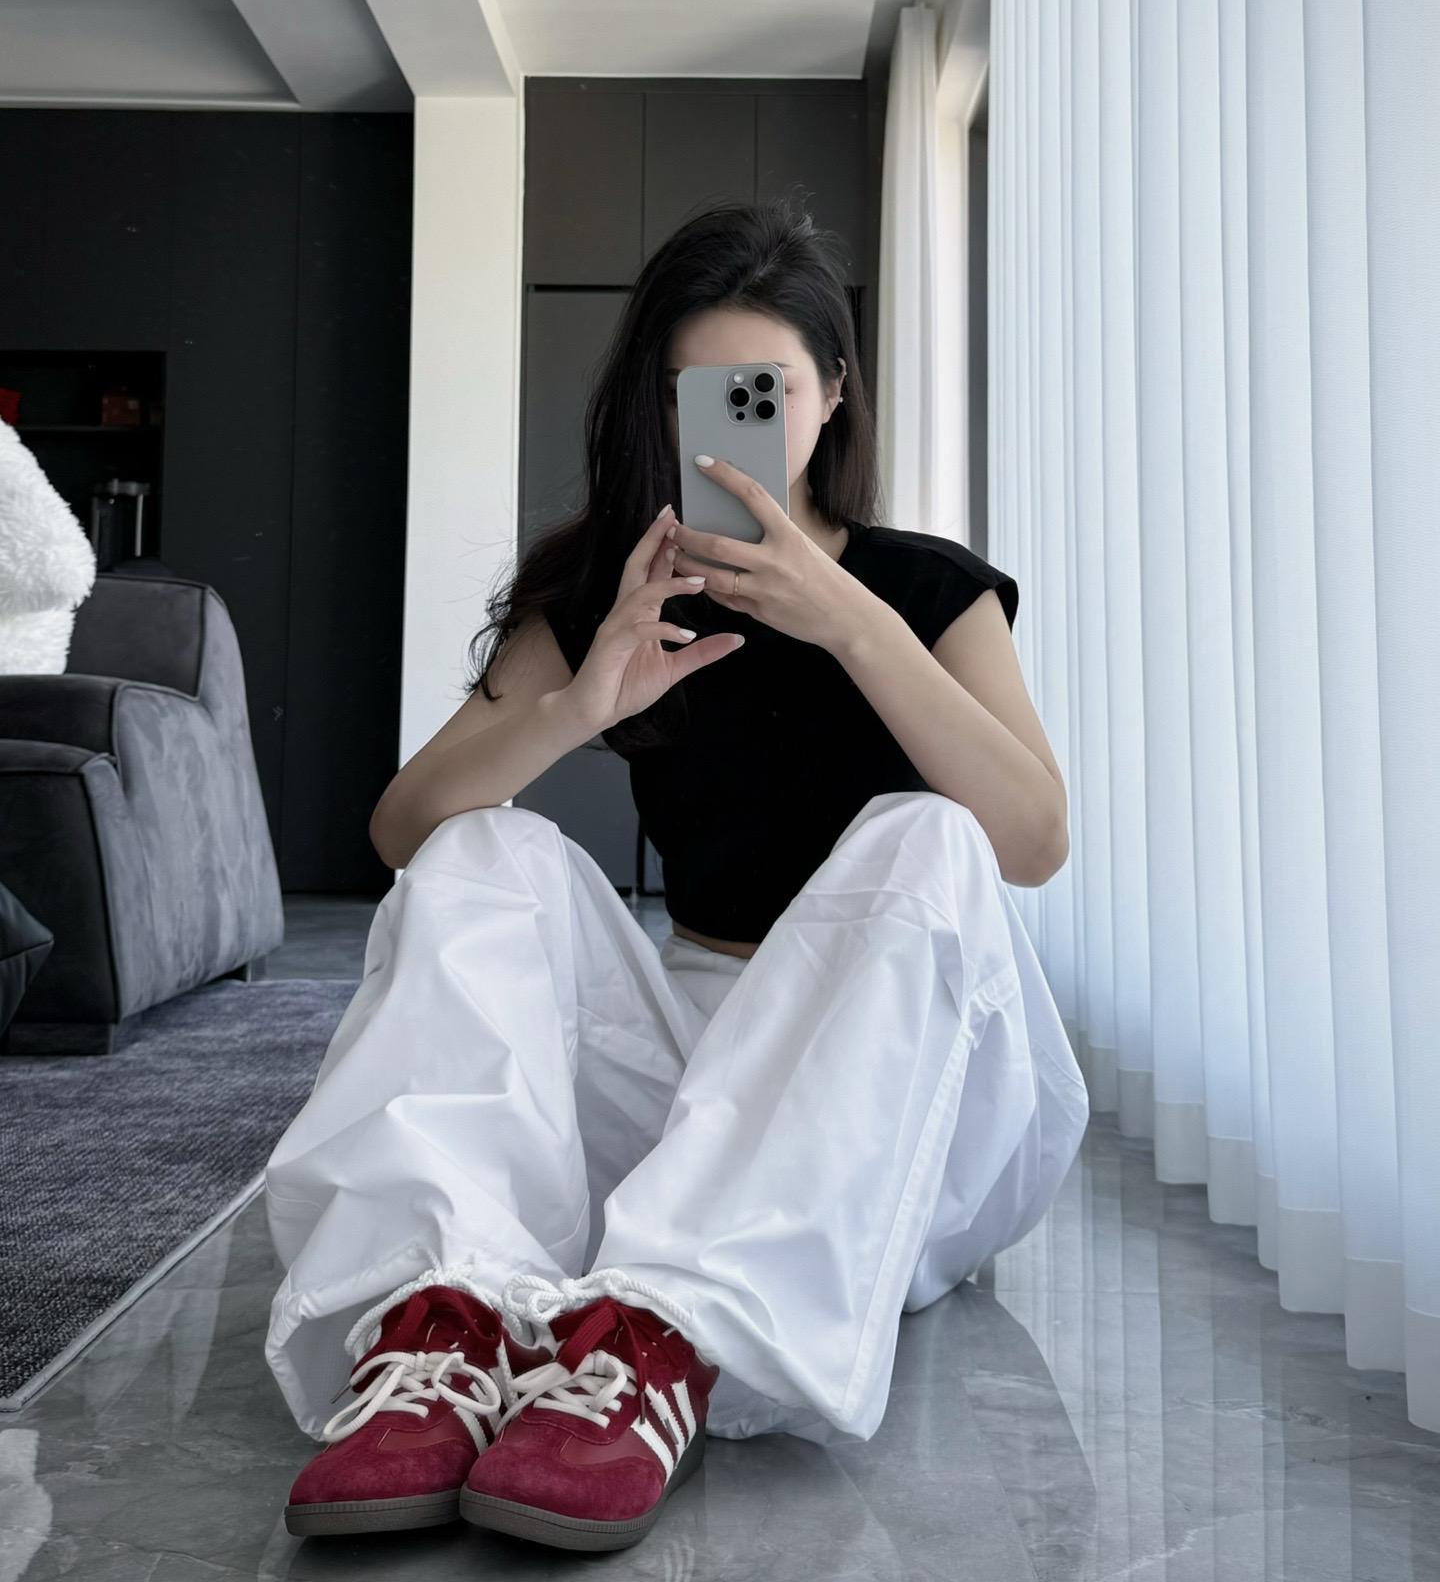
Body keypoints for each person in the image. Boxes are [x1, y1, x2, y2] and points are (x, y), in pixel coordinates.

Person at [263, 195, 1090, 1554]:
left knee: (929, 834)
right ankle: (439, 1329)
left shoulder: (929, 591)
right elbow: (407, 829)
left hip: (910, 1093)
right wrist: (579, 705)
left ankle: (662, 1343)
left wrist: (853, 626)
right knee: (490, 844)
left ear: (833, 394)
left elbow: (1035, 842)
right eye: (698, 395)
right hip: (694, 1063)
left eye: (766, 392)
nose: (731, 427)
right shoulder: (611, 586)